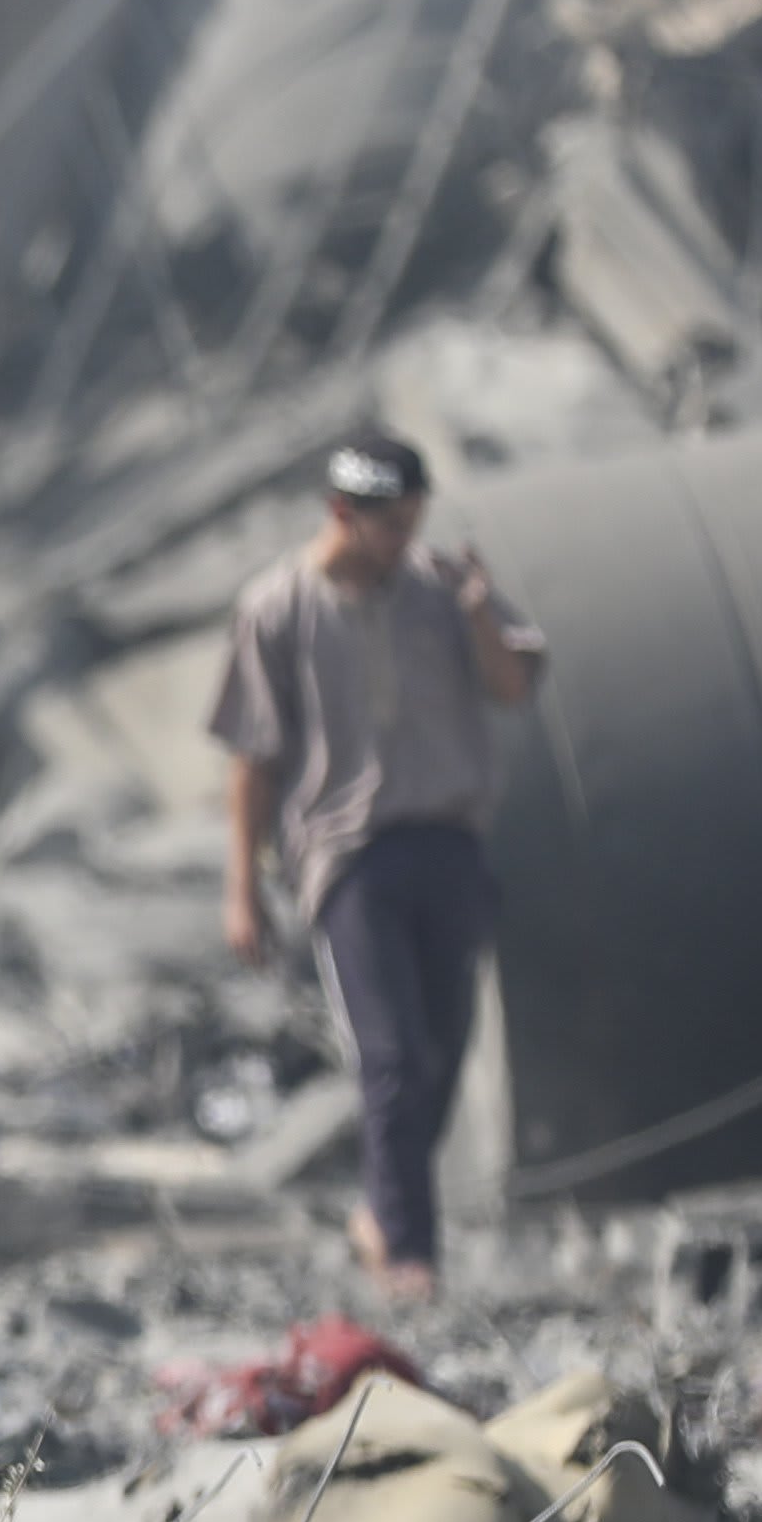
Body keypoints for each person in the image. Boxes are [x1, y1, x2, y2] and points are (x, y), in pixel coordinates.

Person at [215, 431, 548, 1301]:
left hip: (448, 840)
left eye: (412, 522)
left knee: (442, 1049)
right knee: (391, 1054)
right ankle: (409, 1254)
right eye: (389, 525)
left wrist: (478, 611)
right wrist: (242, 886)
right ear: (341, 515)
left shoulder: (440, 588)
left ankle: (381, 1213)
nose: (404, 540)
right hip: (346, 856)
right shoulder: (278, 608)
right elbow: (252, 757)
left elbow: (514, 686)